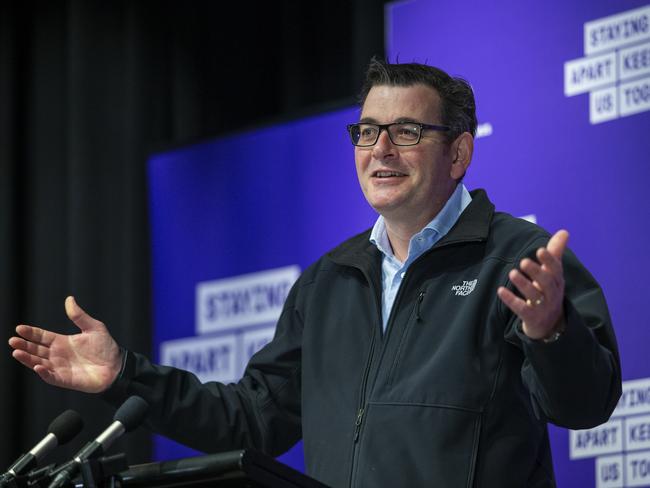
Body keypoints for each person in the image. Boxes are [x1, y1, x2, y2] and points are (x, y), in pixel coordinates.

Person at [8, 59, 621, 487]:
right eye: (367, 132)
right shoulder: (331, 279)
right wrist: (124, 375)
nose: (380, 149)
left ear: (458, 152)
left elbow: (587, 405)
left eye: (406, 132)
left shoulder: (521, 259)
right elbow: (253, 419)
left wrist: (551, 331)